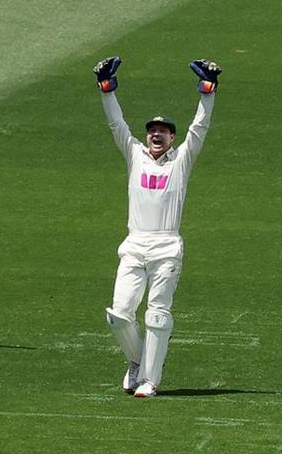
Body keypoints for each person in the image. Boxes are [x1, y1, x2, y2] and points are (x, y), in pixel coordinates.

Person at [94, 56, 221, 397]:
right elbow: (117, 125)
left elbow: (200, 129)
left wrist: (207, 91)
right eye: (152, 131)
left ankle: (150, 380)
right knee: (119, 315)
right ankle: (139, 361)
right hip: (135, 244)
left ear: (172, 138)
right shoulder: (134, 153)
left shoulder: (181, 160)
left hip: (166, 245)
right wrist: (106, 88)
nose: (155, 136)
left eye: (162, 133)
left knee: (157, 314)